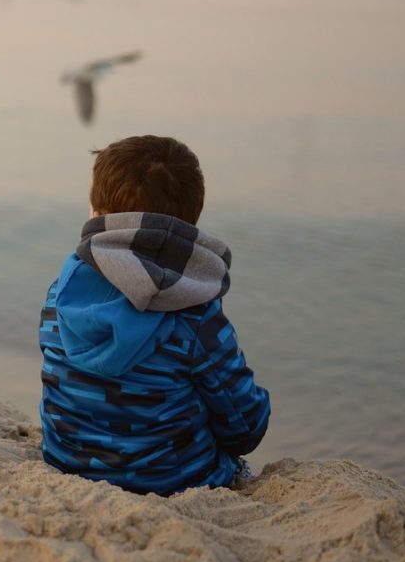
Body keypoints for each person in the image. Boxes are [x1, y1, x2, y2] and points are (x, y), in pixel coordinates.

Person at [38, 135, 270, 495]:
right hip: (172, 481)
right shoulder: (194, 314)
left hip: (64, 463)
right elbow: (246, 427)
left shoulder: (61, 292)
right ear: (190, 223)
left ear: (97, 215)